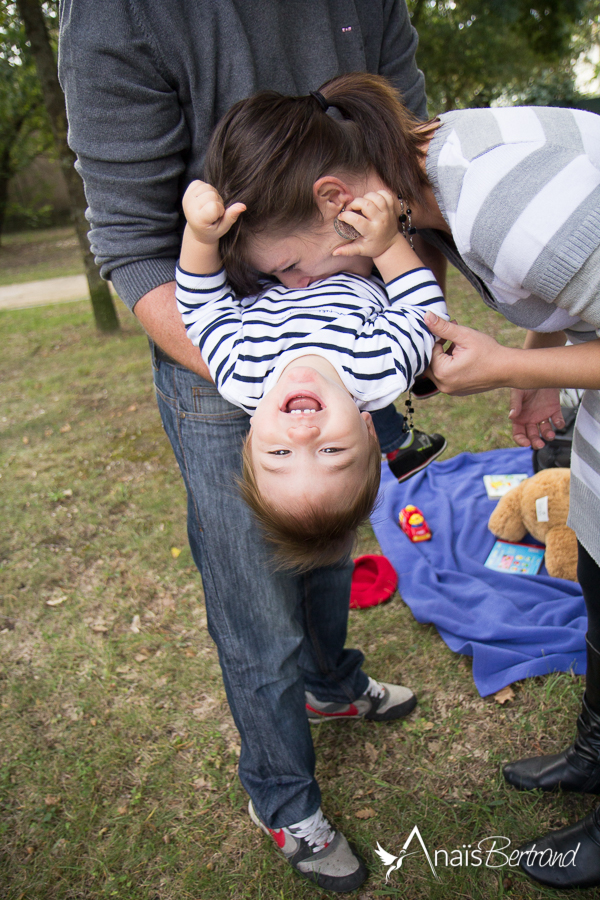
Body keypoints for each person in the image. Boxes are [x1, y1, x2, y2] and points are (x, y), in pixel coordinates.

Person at [57, 4, 447, 892]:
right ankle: (283, 799)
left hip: (256, 367)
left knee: (322, 541)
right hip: (212, 376)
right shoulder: (121, 20)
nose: (303, 434)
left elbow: (408, 155)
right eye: (319, 446)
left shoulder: (276, 391)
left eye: (287, 451)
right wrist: (380, 260)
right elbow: (161, 275)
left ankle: (332, 679)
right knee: (255, 609)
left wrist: (211, 248)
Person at [202, 70, 600, 889]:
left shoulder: (505, 208)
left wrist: (498, 367)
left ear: (334, 199)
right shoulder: (439, 175)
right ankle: (597, 751)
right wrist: (534, 360)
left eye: (289, 268)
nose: (293, 289)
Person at [176, 180, 448, 569]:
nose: (303, 434)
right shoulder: (381, 367)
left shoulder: (240, 374)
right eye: (331, 451)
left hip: (272, 239)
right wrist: (387, 245)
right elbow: (422, 306)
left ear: (251, 436)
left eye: (280, 453)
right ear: (369, 430)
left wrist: (200, 238)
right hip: (344, 238)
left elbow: (201, 309)